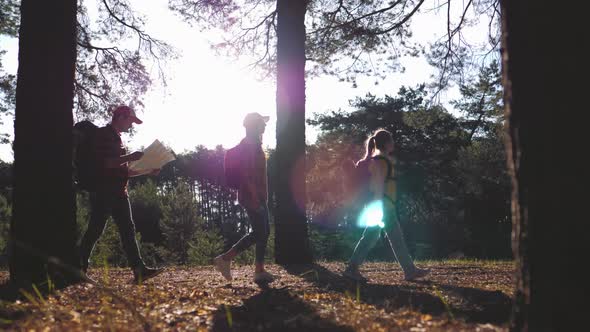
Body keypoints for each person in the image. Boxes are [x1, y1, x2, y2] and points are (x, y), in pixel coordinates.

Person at [79, 105, 164, 284]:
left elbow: (124, 171)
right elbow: (106, 163)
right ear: (121, 117)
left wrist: (148, 170)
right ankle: (79, 269)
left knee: (128, 231)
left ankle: (139, 270)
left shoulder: (118, 138)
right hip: (104, 191)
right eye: (131, 121)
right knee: (95, 230)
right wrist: (129, 157)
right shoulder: (103, 135)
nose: (131, 125)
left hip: (119, 192)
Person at [343, 129, 429, 282]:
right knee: (381, 238)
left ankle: (409, 270)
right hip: (382, 206)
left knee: (383, 237)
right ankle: (352, 269)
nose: (394, 143)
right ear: (387, 143)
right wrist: (380, 206)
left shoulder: (381, 160)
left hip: (382, 205)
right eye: (392, 140)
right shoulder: (381, 161)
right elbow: (377, 185)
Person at [214, 112, 275, 283]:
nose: (265, 126)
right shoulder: (249, 146)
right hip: (251, 195)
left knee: (264, 232)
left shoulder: (254, 144)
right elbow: (246, 175)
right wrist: (255, 196)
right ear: (254, 126)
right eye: (262, 123)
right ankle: (225, 259)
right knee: (260, 232)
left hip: (257, 195)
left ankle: (259, 270)